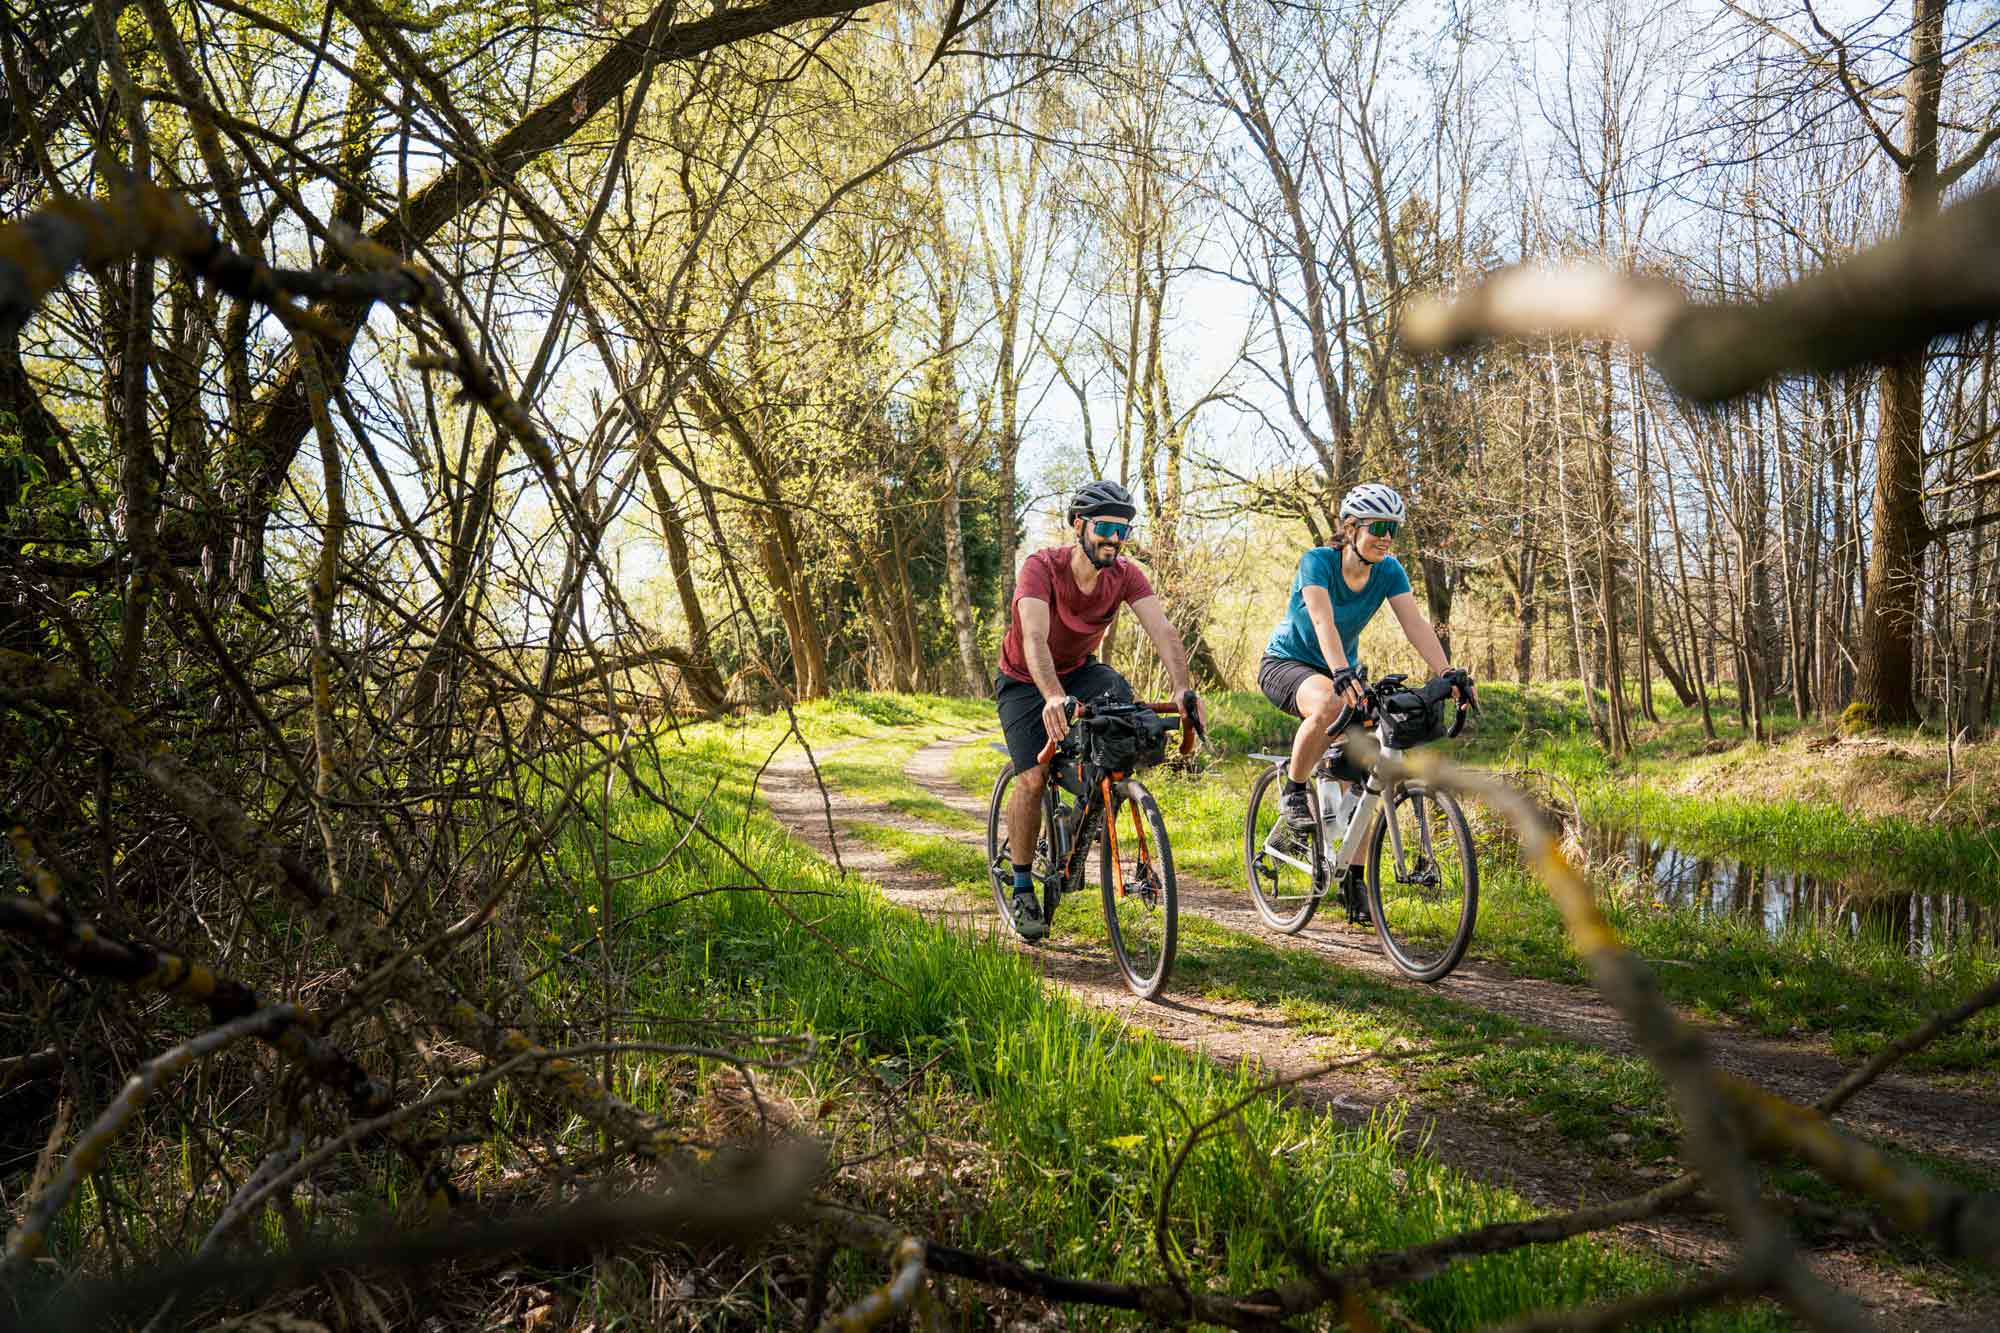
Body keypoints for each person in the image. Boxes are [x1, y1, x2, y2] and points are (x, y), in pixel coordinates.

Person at [995, 479, 1207, 940]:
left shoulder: (1126, 574)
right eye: (1105, 527)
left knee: (1125, 725)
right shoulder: (1041, 567)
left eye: (1123, 529)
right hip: (1025, 679)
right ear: (1079, 525)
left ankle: (1086, 810)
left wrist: (1183, 689)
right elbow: (1033, 638)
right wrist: (1052, 695)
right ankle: (1021, 885)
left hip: (1081, 670)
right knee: (1032, 776)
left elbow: (1164, 631)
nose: (1115, 538)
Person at [1259, 483, 1475, 846]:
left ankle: (1355, 889)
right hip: (1287, 664)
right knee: (1329, 703)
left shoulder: (1389, 571)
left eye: (1393, 529)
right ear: (1350, 528)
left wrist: (1446, 672)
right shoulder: (1318, 562)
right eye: (1378, 528)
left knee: (1363, 775)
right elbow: (1321, 620)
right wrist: (1342, 673)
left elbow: (1415, 625)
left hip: (1341, 673)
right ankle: (1294, 793)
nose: (1386, 537)